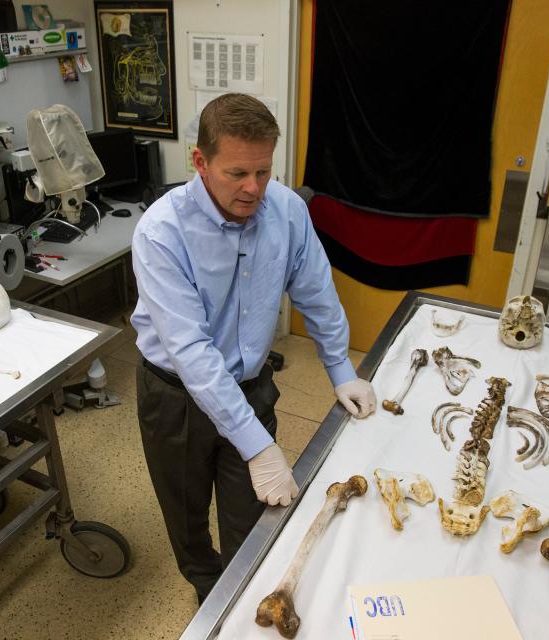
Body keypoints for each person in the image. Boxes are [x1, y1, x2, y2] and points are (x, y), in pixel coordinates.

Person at [130, 93, 376, 603]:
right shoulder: (161, 232)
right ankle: (209, 598)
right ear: (200, 162)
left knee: (255, 523)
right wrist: (261, 448)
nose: (254, 188)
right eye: (238, 173)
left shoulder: (285, 210)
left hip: (251, 384)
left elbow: (317, 290)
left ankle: (242, 604)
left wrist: (339, 366)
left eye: (264, 172)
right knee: (188, 518)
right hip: (176, 397)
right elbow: (191, 352)